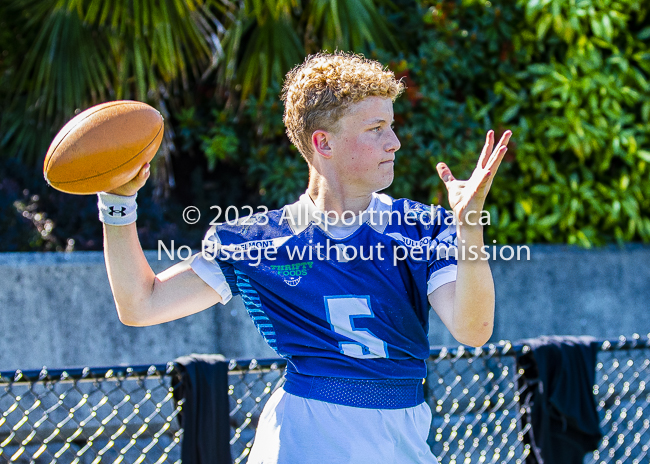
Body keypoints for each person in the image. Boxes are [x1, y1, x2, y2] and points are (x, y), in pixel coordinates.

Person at [99, 51, 511, 463]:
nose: (395, 142)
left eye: (392, 126)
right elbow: (142, 303)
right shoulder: (257, 239)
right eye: (376, 128)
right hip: (302, 440)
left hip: (400, 439)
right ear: (323, 142)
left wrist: (469, 227)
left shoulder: (423, 226)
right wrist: (118, 202)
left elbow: (473, 330)